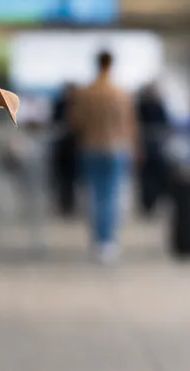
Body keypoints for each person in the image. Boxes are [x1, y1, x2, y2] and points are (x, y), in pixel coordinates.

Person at [69, 50, 139, 263]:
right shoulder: (121, 93)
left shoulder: (86, 93)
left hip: (91, 147)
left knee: (94, 194)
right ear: (111, 64)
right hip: (117, 148)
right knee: (112, 195)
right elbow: (130, 124)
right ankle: (108, 241)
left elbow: (76, 121)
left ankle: (97, 240)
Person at [136, 83, 172, 217]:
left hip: (157, 150)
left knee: (156, 179)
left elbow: (166, 125)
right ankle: (146, 206)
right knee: (145, 180)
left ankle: (152, 204)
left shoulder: (159, 108)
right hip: (145, 150)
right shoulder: (141, 107)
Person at [50, 83, 81, 218]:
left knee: (72, 180)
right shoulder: (59, 105)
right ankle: (64, 205)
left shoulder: (79, 106)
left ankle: (70, 205)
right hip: (62, 150)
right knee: (62, 181)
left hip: (75, 151)